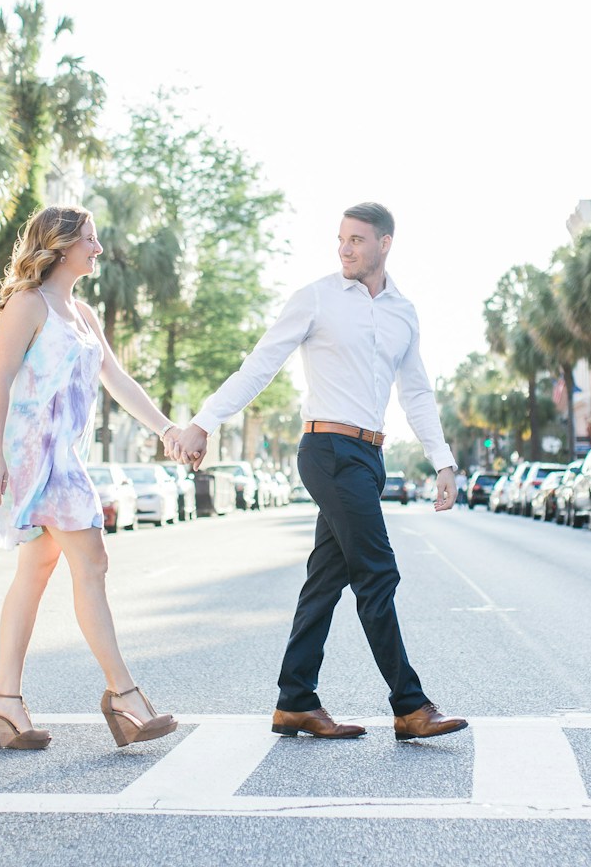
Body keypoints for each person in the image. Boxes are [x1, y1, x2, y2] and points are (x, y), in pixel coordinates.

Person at [165, 202, 468, 743]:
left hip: (370, 456)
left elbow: (417, 392)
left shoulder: (403, 311)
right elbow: (260, 363)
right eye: (341, 239)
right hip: (327, 449)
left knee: (324, 582)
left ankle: (295, 701)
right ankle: (410, 705)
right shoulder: (317, 297)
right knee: (377, 573)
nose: (345, 248)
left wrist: (442, 460)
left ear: (385, 243)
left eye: (356, 239)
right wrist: (204, 421)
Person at [0, 204, 180, 751]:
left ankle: (5, 702)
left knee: (36, 573)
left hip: (67, 454)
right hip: (35, 457)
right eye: (88, 240)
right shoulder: (28, 303)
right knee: (92, 562)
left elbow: (117, 379)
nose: (97, 249)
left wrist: (166, 429)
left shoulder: (84, 314)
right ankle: (124, 697)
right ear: (61, 246)